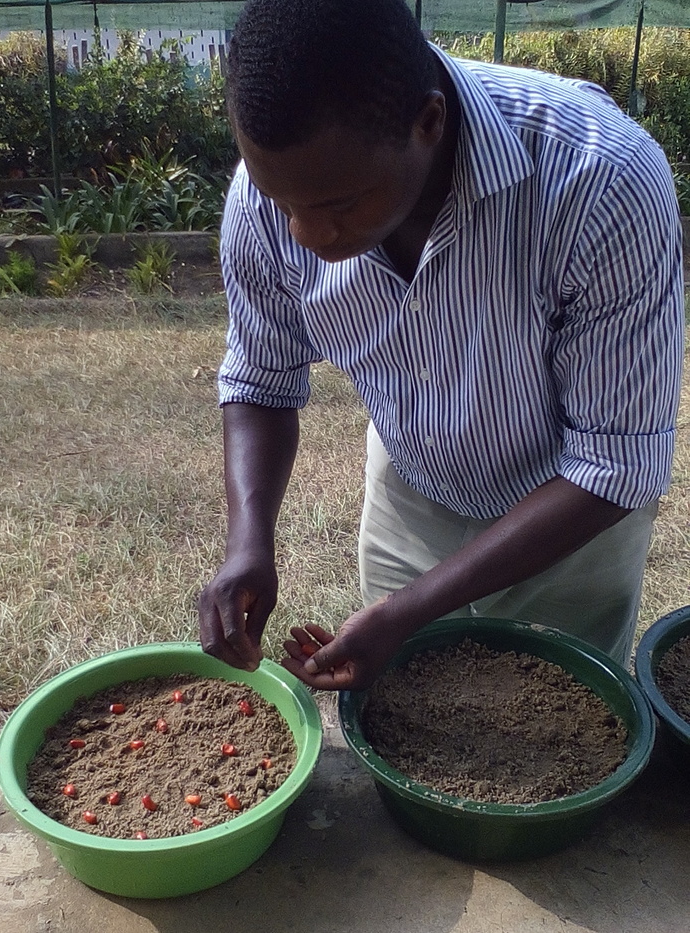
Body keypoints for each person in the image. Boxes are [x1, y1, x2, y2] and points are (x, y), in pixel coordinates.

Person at [198, 0, 684, 691]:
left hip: (570, 525)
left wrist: (409, 609)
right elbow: (259, 380)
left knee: (548, 735)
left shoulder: (600, 182)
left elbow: (615, 460)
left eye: (339, 207)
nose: (303, 235)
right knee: (412, 717)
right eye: (283, 205)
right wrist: (249, 539)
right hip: (412, 489)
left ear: (427, 123)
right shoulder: (273, 191)